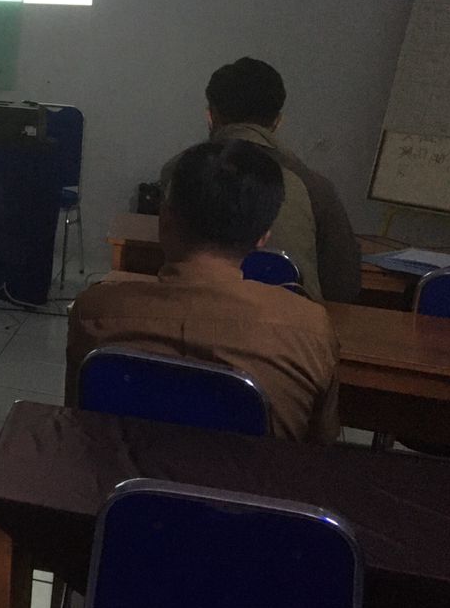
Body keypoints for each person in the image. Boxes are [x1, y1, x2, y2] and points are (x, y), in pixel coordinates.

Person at [70, 139, 340, 442]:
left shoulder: (94, 311)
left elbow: (78, 431)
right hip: (248, 488)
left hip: (119, 486)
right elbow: (320, 452)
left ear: (165, 219)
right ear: (264, 236)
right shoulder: (310, 329)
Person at [205, 57, 359, 302]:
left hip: (202, 319)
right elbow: (344, 285)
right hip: (295, 328)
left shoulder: (179, 172)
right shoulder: (315, 187)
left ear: (211, 116)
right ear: (277, 122)